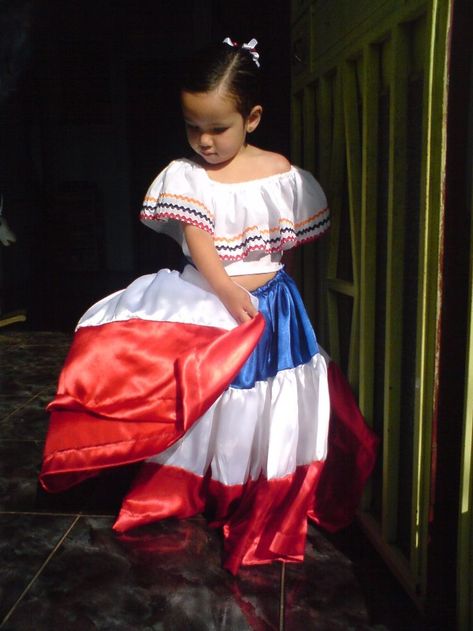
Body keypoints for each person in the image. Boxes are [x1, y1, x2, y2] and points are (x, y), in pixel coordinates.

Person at [39, 38, 377, 574]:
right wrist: (226, 290)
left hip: (275, 309)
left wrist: (269, 292)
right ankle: (210, 483)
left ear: (253, 118)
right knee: (217, 399)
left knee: (270, 398)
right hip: (215, 302)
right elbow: (200, 242)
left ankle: (261, 482)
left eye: (217, 127)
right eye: (192, 126)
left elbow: (282, 243)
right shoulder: (187, 176)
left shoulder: (280, 172)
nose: (204, 141)